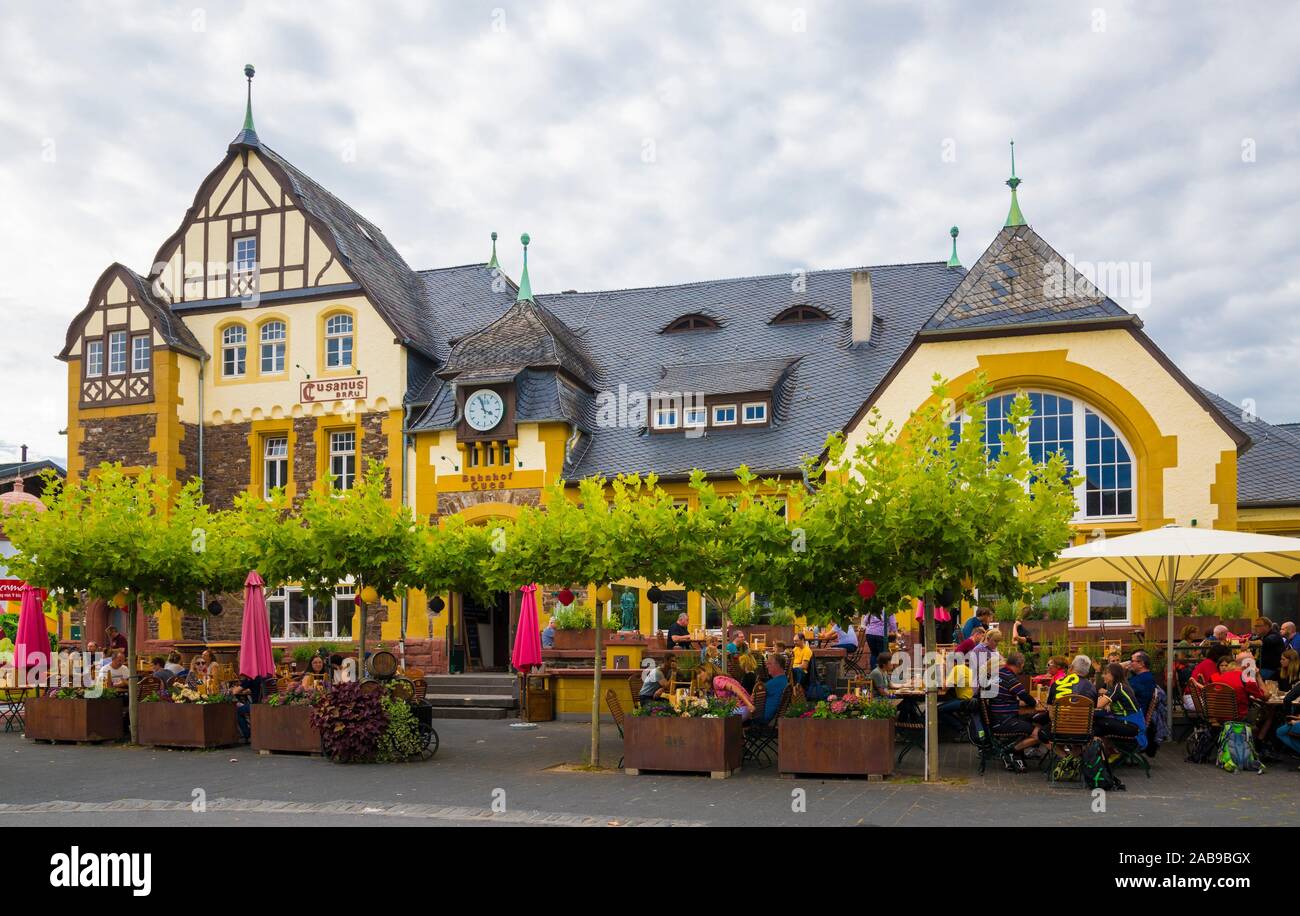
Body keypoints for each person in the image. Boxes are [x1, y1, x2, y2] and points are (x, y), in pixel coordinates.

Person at [987, 652, 1041, 768]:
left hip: (996, 717)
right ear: (1020, 664)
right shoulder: (1009, 677)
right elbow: (1025, 696)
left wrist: (1017, 702)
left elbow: (1001, 697)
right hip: (1004, 721)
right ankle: (1012, 750)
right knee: (1041, 734)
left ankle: (1017, 751)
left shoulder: (999, 673)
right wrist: (1034, 702)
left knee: (1031, 720)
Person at [1096, 663, 1145, 749]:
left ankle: (1097, 753)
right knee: (1098, 724)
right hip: (1133, 724)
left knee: (1097, 723)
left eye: (1106, 673)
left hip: (1131, 725)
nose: (1103, 676)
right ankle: (1106, 752)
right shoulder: (1121, 686)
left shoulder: (1118, 687)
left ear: (1113, 674)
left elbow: (1098, 705)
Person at [1212, 651, 1267, 720]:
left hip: (1220, 716)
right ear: (1247, 665)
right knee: (1266, 715)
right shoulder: (1246, 679)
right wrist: (1258, 676)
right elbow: (1265, 696)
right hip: (1239, 718)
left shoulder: (1221, 677)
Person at [939, 655, 973, 736]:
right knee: (947, 701)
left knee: (938, 710)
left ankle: (962, 729)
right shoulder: (965, 668)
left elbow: (945, 688)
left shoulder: (957, 668)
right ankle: (962, 725)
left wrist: (943, 671)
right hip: (971, 699)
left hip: (965, 700)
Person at [753, 654, 789, 725]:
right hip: (773, 718)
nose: (767, 666)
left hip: (763, 718)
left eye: (769, 664)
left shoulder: (771, 684)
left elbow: (753, 699)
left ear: (778, 665)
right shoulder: (784, 681)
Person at [1255, 617, 1284, 682]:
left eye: (1258, 626)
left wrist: (1251, 643)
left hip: (1272, 670)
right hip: (1262, 668)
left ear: (1267, 626)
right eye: (1255, 626)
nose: (1255, 628)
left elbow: (1267, 641)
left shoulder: (1275, 635)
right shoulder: (1262, 636)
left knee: (1248, 677)